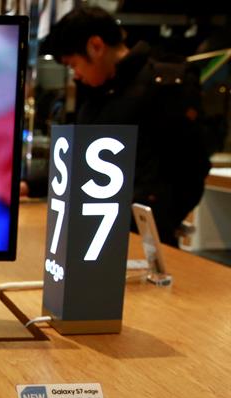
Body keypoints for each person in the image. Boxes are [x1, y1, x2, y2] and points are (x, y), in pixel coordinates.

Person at [45, 6, 210, 246]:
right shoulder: (96, 94)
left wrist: (157, 221)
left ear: (96, 46)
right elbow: (78, 162)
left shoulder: (165, 84)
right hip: (93, 235)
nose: (76, 75)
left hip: (144, 239)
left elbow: (192, 165)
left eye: (73, 64)